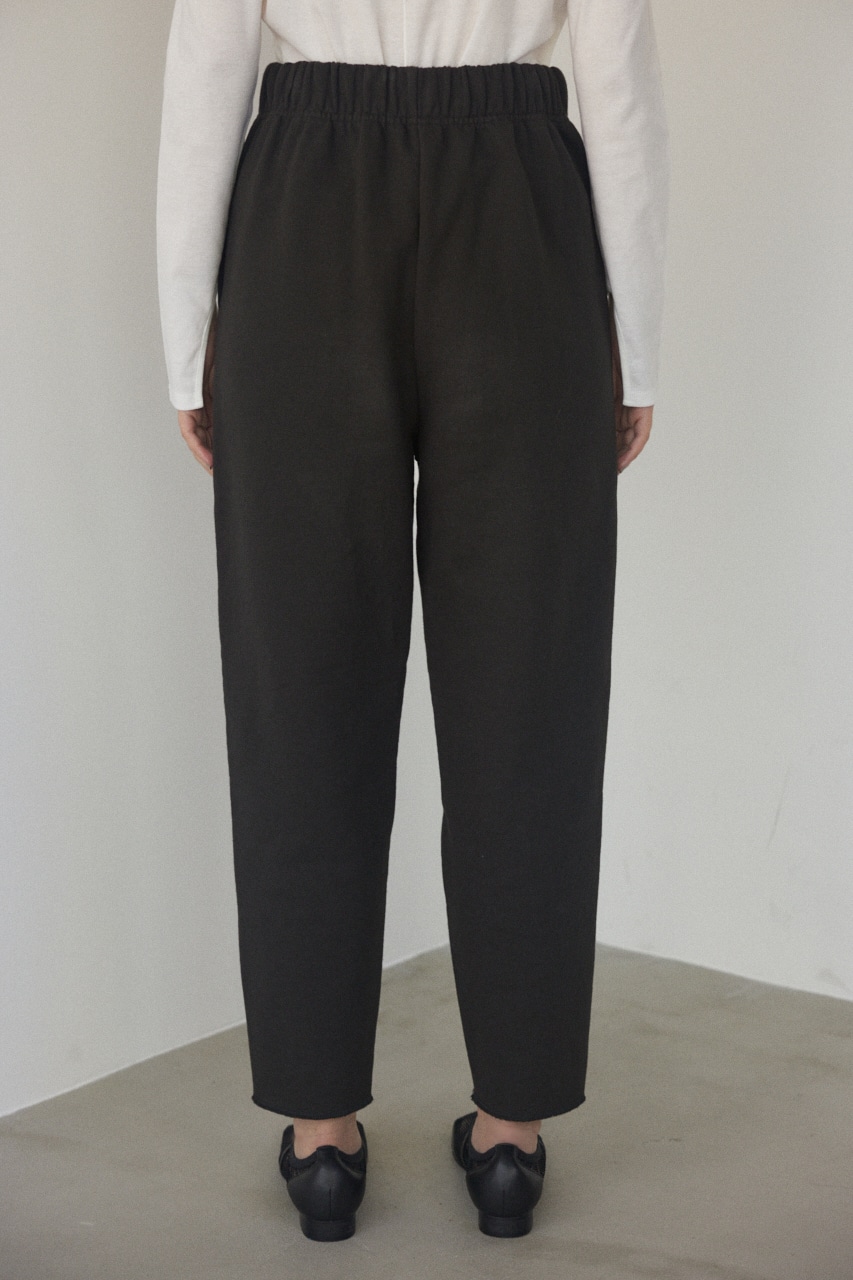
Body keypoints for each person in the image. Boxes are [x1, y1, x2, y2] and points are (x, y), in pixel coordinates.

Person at [156, 0, 669, 1244]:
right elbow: (617, 81)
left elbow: (209, 68)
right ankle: (510, 1135)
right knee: (530, 689)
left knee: (301, 685)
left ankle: (322, 1133)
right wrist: (635, 341)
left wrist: (186, 340)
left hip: (305, 208)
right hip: (520, 210)